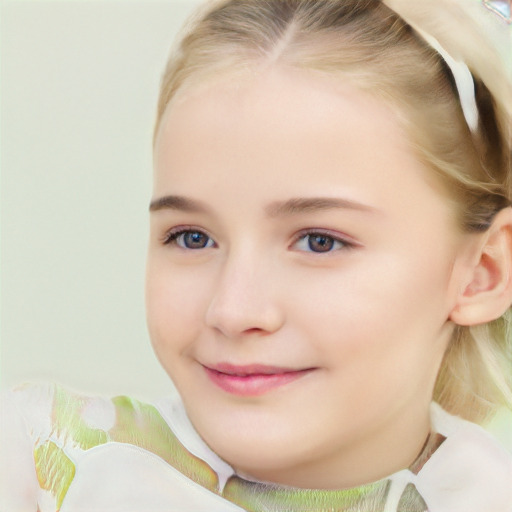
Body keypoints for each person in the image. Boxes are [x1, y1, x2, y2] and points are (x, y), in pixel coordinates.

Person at [2, 0, 511, 510]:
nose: (233, 310)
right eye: (192, 237)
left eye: (320, 241)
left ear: (481, 274)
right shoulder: (39, 463)